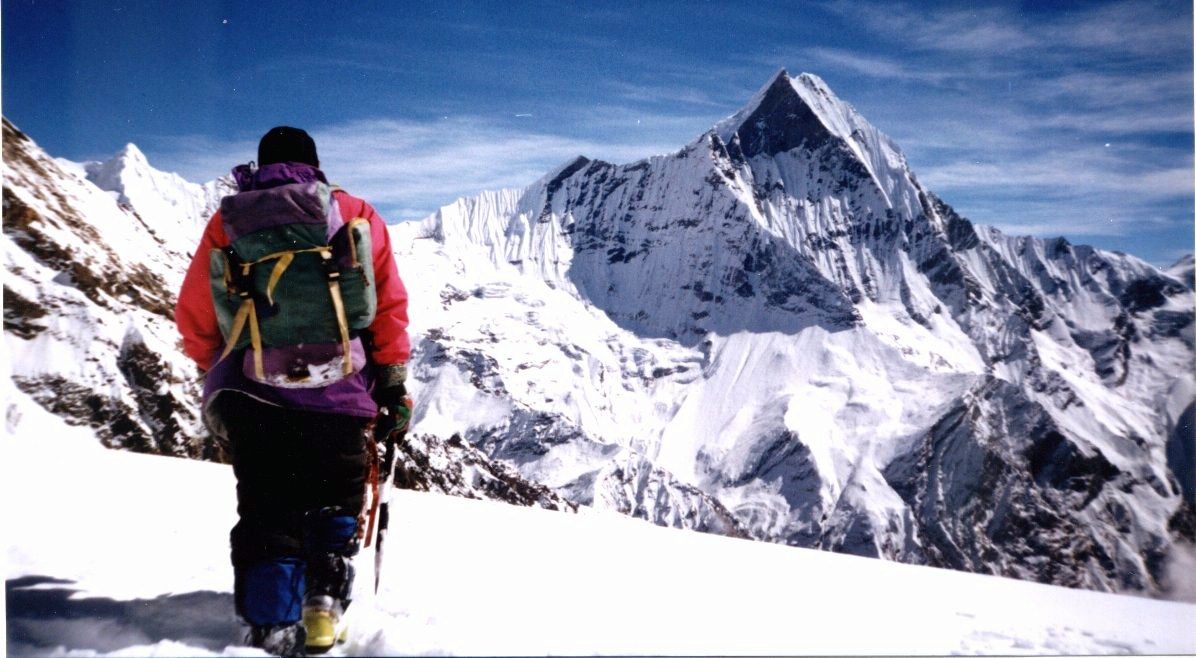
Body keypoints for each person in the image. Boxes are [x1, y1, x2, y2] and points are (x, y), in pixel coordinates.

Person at [176, 127, 411, 656]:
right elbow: (387, 306)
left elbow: (196, 312)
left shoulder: (230, 219)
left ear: (259, 166)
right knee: (334, 502)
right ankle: (323, 608)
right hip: (341, 395)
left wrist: (210, 370)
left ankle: (268, 626)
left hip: (254, 396)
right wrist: (392, 380)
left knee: (268, 509)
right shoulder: (354, 213)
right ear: (315, 165)